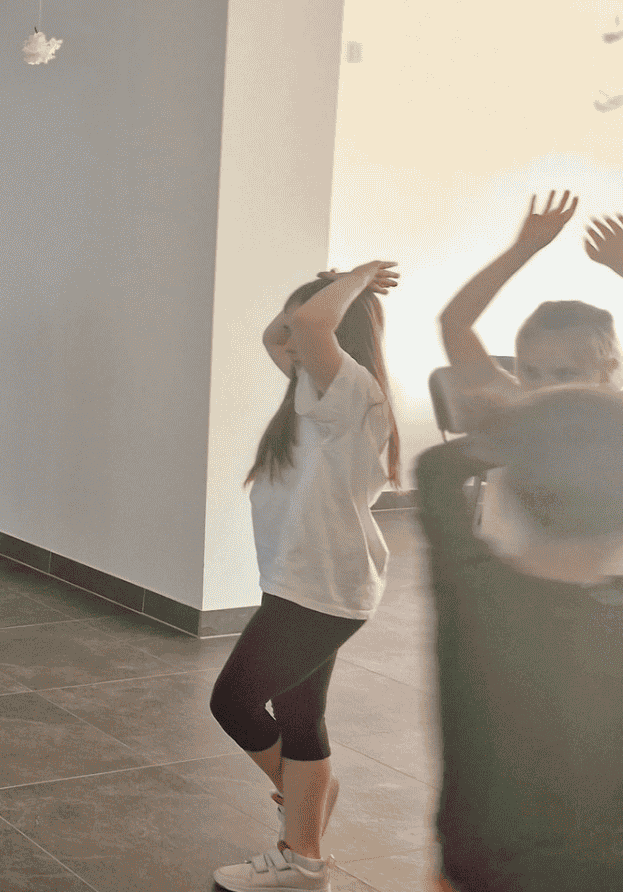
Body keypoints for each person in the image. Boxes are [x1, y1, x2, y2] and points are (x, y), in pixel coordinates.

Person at [415, 386, 623, 891]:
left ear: (511, 491)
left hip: (474, 869)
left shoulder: (469, 593)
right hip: (598, 878)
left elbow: (434, 471)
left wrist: (515, 429)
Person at [208, 261, 402, 892]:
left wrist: (358, 278)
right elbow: (278, 334)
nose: (288, 340)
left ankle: (305, 805)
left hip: (322, 590)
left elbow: (312, 325)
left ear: (338, 334)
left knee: (233, 701)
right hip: (311, 584)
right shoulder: (312, 391)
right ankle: (304, 857)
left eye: (304, 328)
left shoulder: (352, 391)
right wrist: (328, 288)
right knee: (298, 716)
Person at [440, 194, 623, 582]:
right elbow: (455, 324)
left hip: (609, 586)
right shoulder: (512, 404)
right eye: (531, 372)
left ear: (606, 369)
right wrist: (523, 247)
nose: (544, 388)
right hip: (516, 582)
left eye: (565, 374)